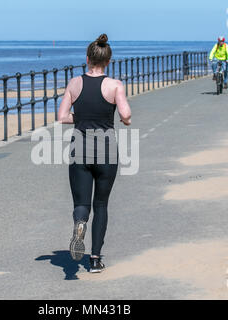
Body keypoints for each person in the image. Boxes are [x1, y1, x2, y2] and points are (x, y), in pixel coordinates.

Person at [58, 34, 132, 273]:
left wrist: (81, 118)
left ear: (87, 59)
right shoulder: (115, 85)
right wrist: (121, 118)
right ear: (108, 62)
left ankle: (80, 222)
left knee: (81, 203)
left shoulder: (74, 84)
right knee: (101, 204)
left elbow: (61, 117)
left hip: (79, 147)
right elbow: (126, 115)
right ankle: (95, 259)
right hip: (106, 150)